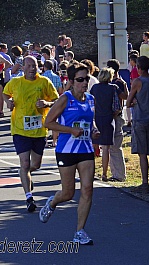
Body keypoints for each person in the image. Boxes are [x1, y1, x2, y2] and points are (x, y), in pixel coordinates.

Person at [39, 62, 100, 245]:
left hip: (86, 149)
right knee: (68, 193)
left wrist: (94, 130)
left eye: (86, 79)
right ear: (72, 81)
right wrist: (70, 130)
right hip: (66, 150)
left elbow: (90, 122)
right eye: (80, 80)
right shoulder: (65, 99)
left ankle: (79, 231)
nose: (84, 83)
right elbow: (48, 123)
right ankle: (52, 202)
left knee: (88, 189)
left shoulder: (90, 99)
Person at [3, 56, 59, 212]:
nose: (32, 68)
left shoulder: (44, 82)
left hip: (39, 130)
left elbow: (57, 100)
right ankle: (29, 197)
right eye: (29, 66)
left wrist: (47, 103)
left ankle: (25, 176)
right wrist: (8, 102)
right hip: (19, 129)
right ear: (23, 67)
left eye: (34, 65)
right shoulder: (15, 82)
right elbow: (5, 93)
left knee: (35, 165)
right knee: (25, 163)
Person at [126, 56, 149, 193]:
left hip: (140, 120)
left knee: (142, 153)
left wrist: (134, 102)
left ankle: (145, 183)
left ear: (139, 68)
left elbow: (128, 102)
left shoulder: (137, 82)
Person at [90, 68, 121, 181]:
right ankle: (104, 173)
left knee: (94, 146)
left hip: (96, 118)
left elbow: (90, 103)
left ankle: (91, 172)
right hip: (108, 118)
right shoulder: (113, 88)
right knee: (106, 148)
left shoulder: (94, 88)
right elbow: (117, 106)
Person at [106, 59, 129, 182]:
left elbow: (124, 97)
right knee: (112, 147)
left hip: (116, 116)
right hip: (116, 116)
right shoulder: (119, 82)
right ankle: (116, 173)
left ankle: (119, 175)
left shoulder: (117, 83)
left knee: (115, 147)